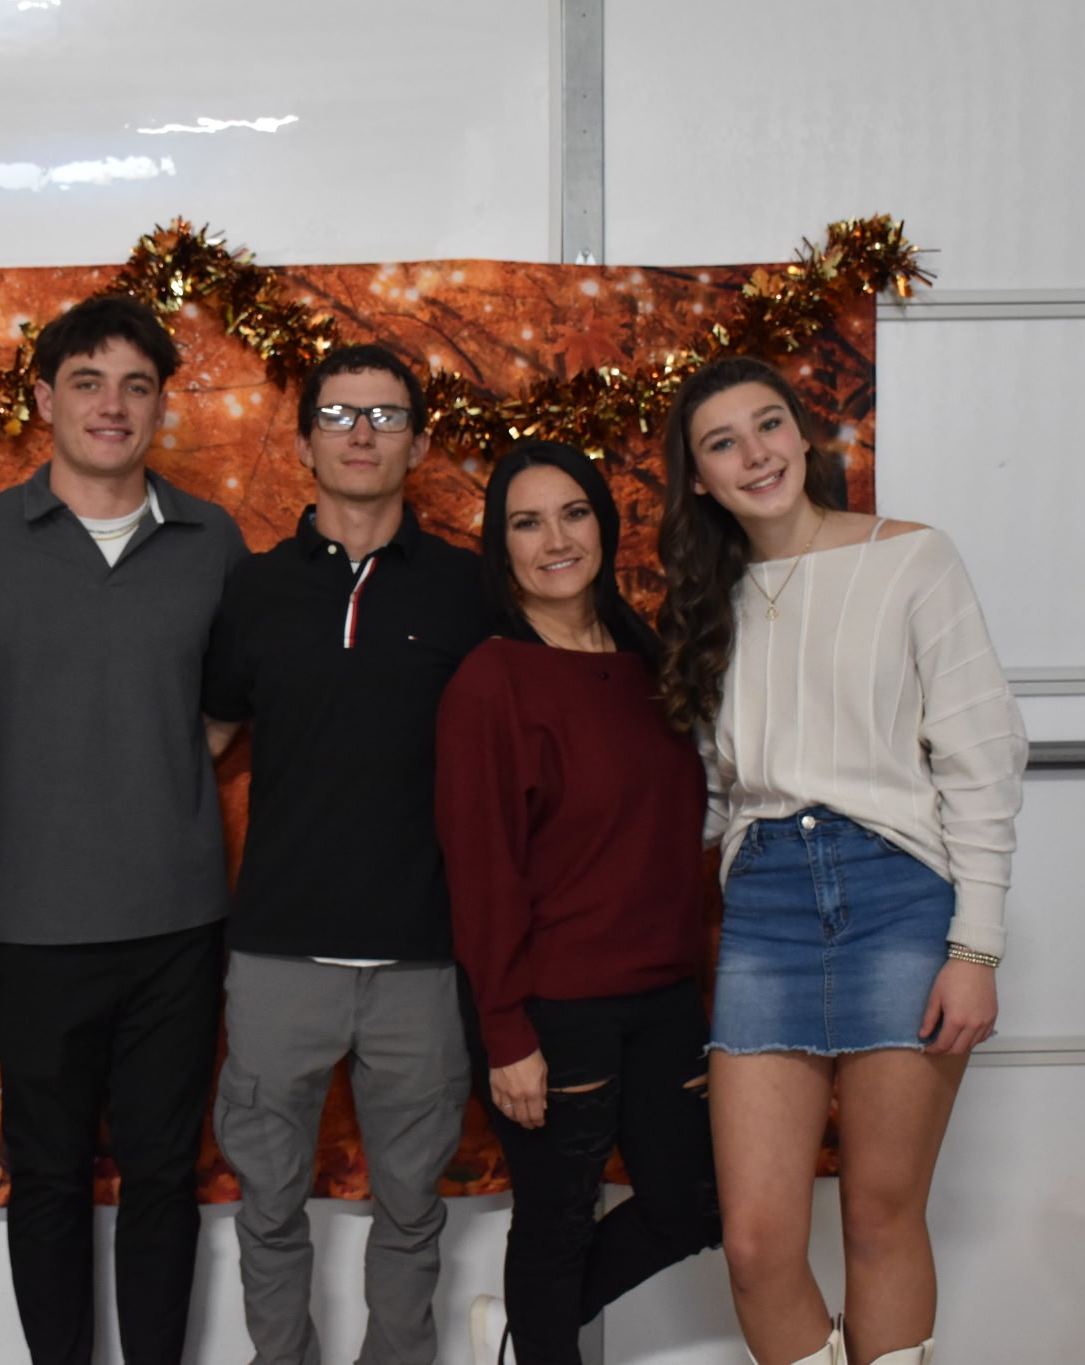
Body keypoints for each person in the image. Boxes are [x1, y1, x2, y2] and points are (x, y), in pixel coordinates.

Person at [655, 356, 1028, 1365]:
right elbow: (714, 796)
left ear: (802, 433)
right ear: (699, 479)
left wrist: (975, 949)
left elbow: (982, 761)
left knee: (878, 1214)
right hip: (765, 908)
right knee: (754, 1246)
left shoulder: (911, 558)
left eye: (768, 424)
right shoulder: (709, 601)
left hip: (897, 896)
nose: (754, 454)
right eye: (721, 443)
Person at [0, 294, 246, 1365]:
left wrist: (155, 763)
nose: (113, 405)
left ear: (160, 405)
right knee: (48, 1179)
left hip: (178, 920)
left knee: (163, 1178)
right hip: (34, 926)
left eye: (136, 385)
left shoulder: (213, 541)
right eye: (88, 382)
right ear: (42, 399)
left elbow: (228, 702)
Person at [204, 343, 490, 1365]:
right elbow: (204, 741)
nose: (361, 433)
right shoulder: (252, 590)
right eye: (337, 415)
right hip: (278, 954)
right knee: (267, 1204)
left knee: (411, 1210)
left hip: (422, 957)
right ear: (302, 443)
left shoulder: (469, 591)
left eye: (384, 415)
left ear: (418, 442)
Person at [436, 440, 724, 1365]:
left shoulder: (652, 665)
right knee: (557, 1225)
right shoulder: (492, 680)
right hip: (557, 1009)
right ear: (502, 546)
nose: (555, 539)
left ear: (604, 523)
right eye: (527, 522)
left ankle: (522, 1332)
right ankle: (540, 1335)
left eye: (574, 513)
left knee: (692, 1205)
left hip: (666, 998)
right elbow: (481, 870)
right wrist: (505, 1032)